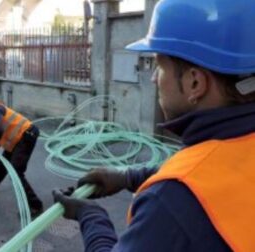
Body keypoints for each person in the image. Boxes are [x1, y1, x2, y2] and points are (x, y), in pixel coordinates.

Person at [53, 0, 255, 251]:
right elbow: (217, 171)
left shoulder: (170, 204)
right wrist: (127, 177)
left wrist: (91, 217)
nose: (152, 78)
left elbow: (196, 180)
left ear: (195, 83)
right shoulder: (236, 141)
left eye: (159, 66)